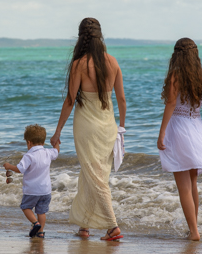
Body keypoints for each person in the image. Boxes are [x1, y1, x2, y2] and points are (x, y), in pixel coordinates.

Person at [50, 18, 126, 240]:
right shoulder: (113, 62)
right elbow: (121, 99)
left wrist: (57, 132)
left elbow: (70, 100)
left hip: (86, 126)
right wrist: (121, 128)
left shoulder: (79, 64)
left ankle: (112, 226)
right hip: (108, 125)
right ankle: (84, 225)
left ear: (81, 37)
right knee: (93, 172)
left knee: (95, 175)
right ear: (100, 36)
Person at [157, 37, 202, 241]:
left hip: (179, 130)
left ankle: (194, 232)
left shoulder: (175, 76)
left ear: (176, 55)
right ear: (195, 55)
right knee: (193, 184)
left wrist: (161, 134)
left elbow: (170, 105)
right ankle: (193, 229)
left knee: (184, 187)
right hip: (198, 131)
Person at [3, 124, 59, 238]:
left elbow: (20, 169)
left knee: (25, 207)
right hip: (46, 191)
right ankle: (41, 232)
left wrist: (9, 166)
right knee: (41, 212)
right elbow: (56, 152)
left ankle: (35, 223)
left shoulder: (29, 156)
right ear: (43, 142)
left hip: (32, 190)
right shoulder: (48, 152)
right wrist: (57, 142)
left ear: (29, 142)